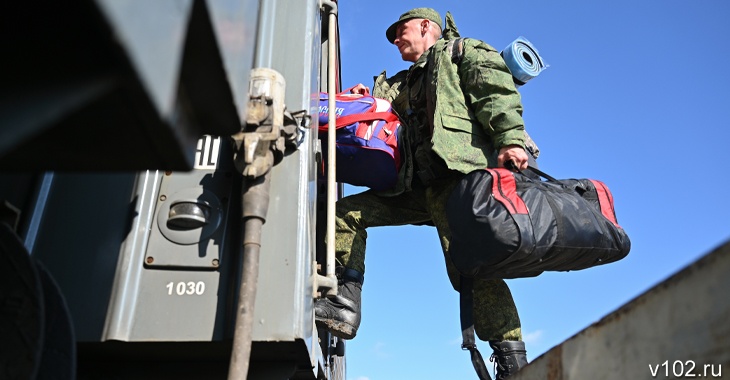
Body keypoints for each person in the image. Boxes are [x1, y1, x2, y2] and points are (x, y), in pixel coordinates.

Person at [315, 8, 537, 379]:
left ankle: (513, 362)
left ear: (425, 27)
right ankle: (343, 306)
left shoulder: (464, 52)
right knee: (348, 213)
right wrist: (364, 95)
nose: (396, 40)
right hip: (418, 188)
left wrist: (510, 139)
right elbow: (385, 112)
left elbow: (495, 93)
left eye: (400, 31)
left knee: (472, 268)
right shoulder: (404, 83)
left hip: (460, 180)